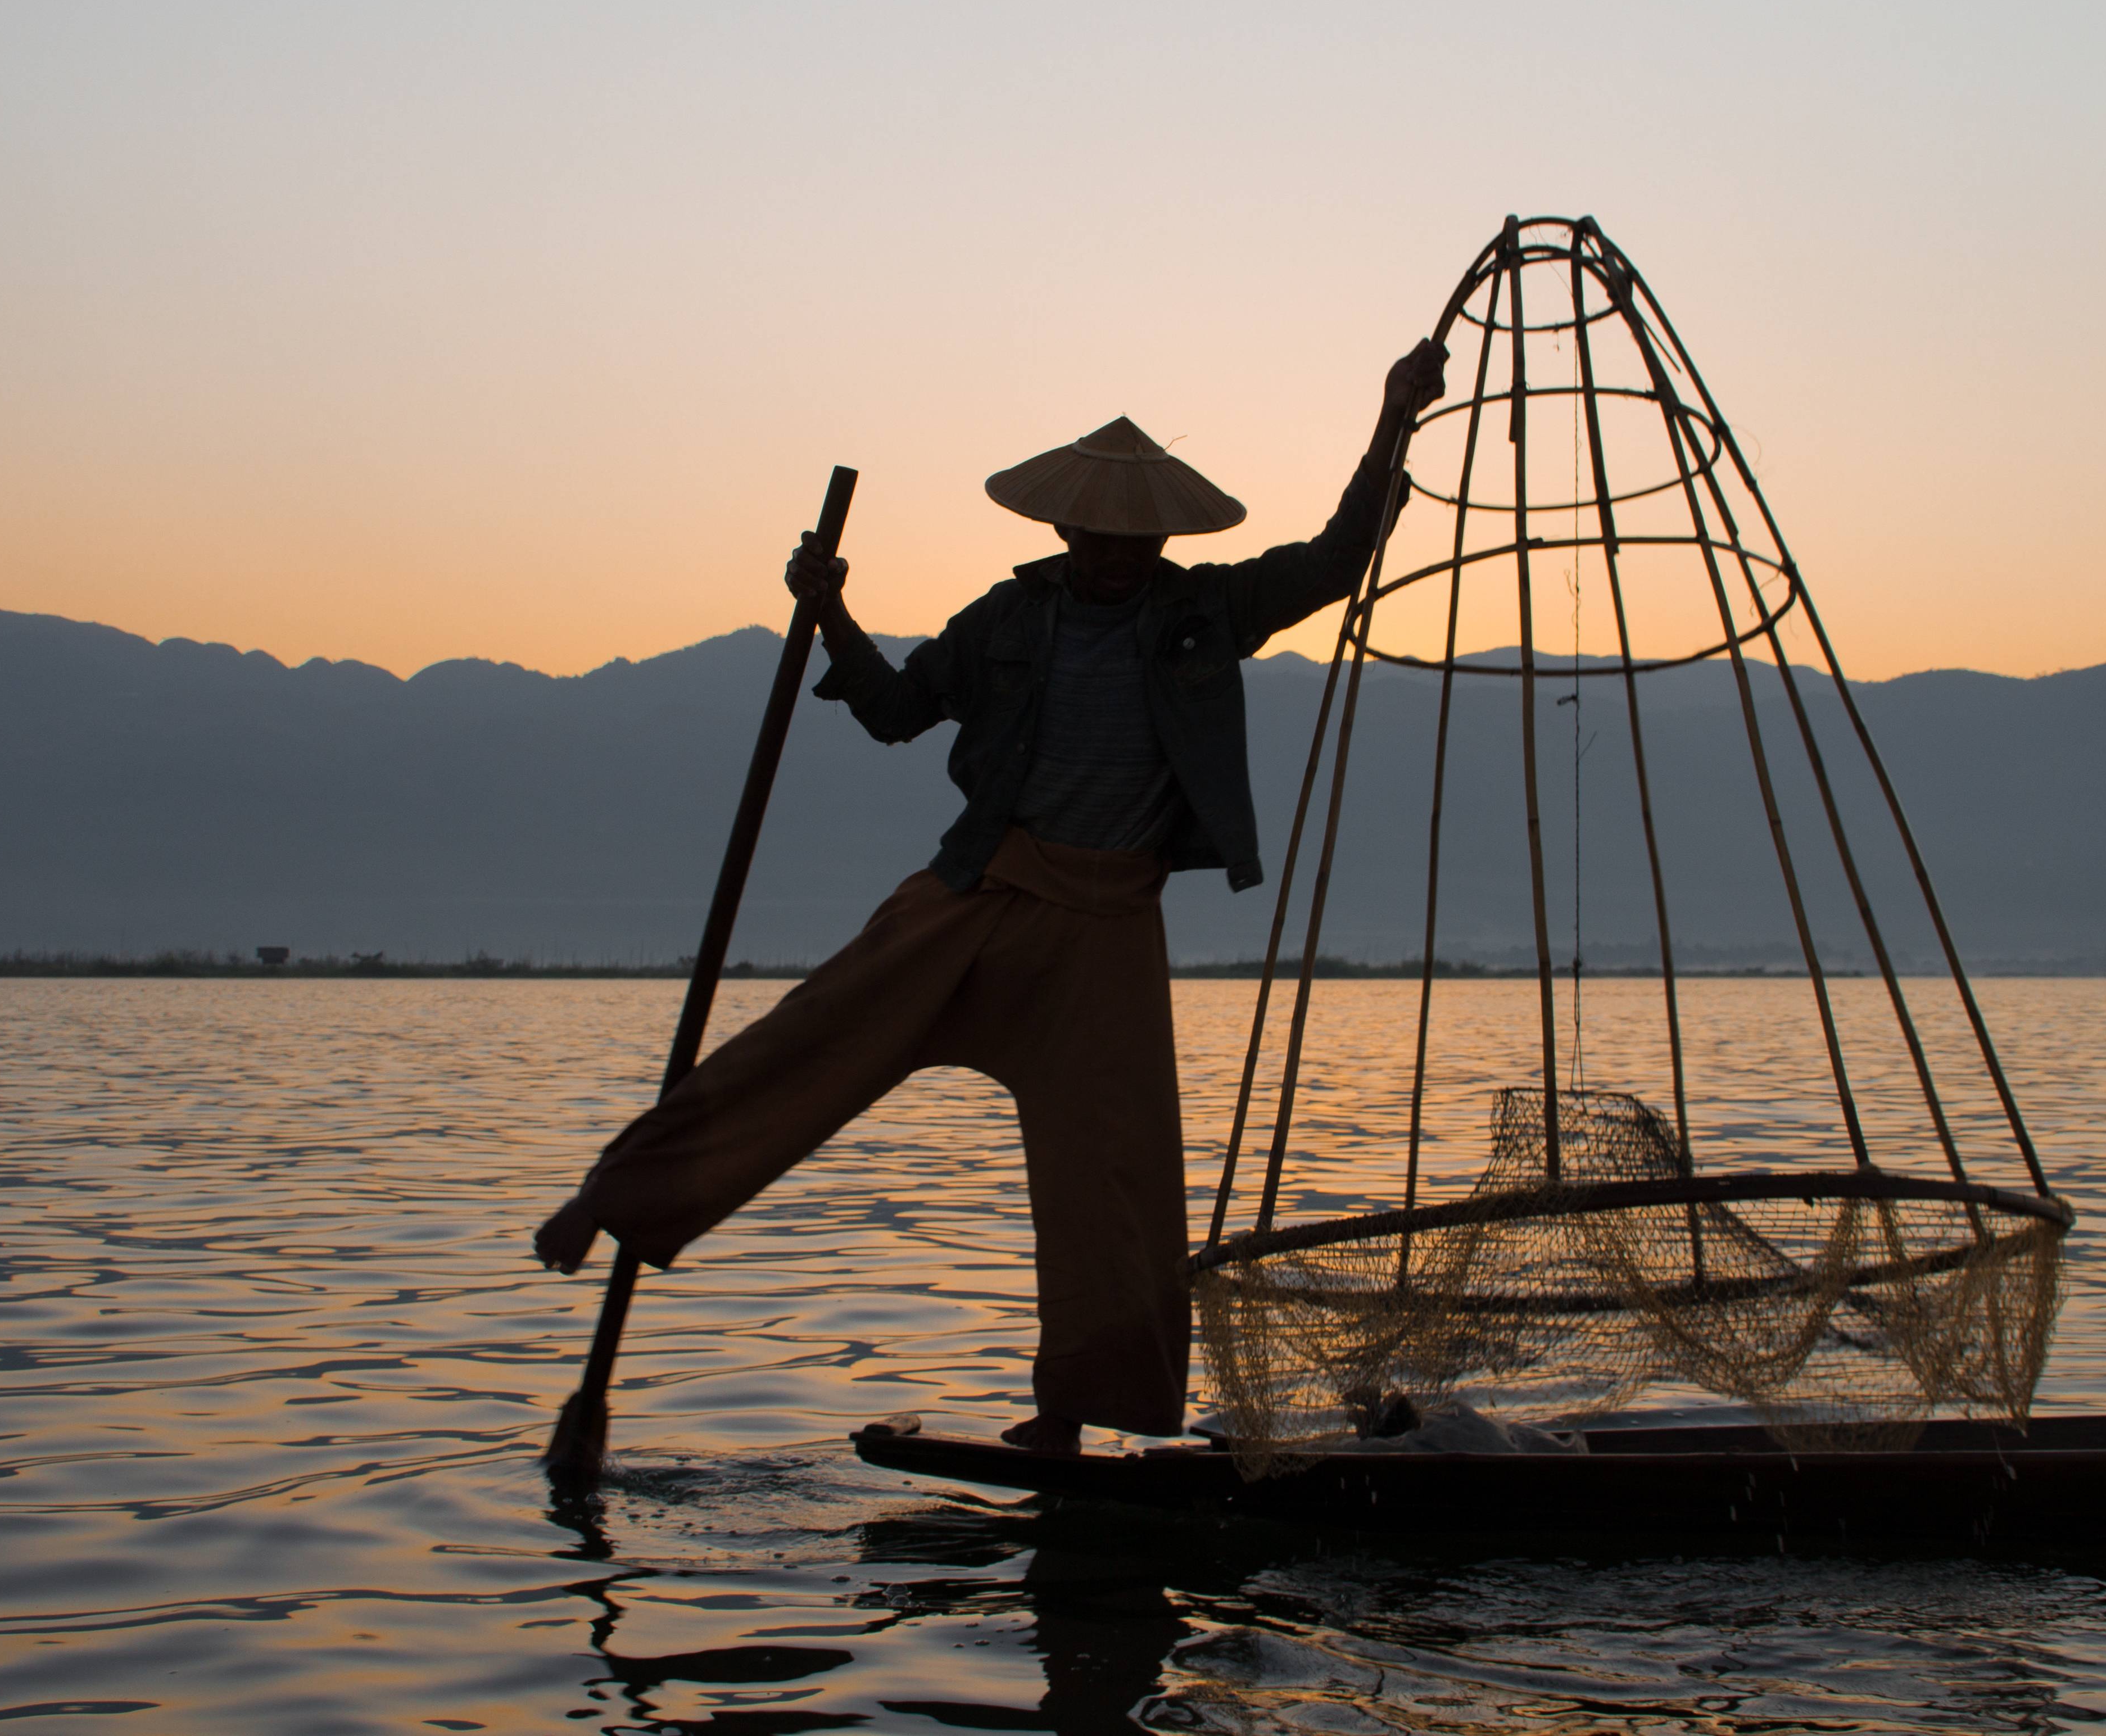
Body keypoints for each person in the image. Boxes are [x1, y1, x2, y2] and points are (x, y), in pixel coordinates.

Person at [534, 339, 1449, 1453]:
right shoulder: (1005, 624)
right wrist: (829, 614)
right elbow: (893, 710)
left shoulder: (1205, 611)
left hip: (1109, 927)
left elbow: (1337, 557)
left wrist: (1394, 416)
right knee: (816, 1033)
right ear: (1066, 534)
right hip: (984, 891)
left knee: (1117, 1178)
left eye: (1137, 541)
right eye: (1100, 539)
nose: (1118, 557)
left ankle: (1075, 1410)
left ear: (1162, 539)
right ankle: (620, 1196)